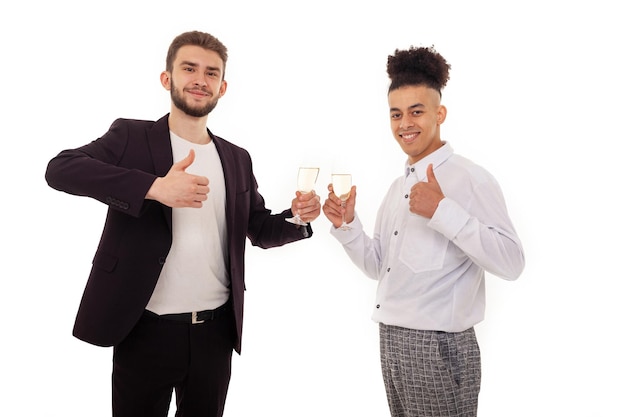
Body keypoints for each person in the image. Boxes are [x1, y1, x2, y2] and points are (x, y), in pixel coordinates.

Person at [45, 30, 321, 417]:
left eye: (211, 73)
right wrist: (154, 187)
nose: (200, 79)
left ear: (222, 87)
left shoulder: (237, 158)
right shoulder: (131, 137)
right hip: (143, 330)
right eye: (189, 68)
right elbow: (61, 169)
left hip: (215, 333)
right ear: (167, 78)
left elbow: (257, 228)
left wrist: (296, 217)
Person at [322, 46, 525, 416]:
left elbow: (512, 262)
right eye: (396, 114)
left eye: (416, 111)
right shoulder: (396, 188)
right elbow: (377, 266)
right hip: (391, 340)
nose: (405, 124)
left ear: (439, 114)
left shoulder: (469, 179)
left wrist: (443, 210)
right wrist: (347, 226)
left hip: (439, 346)